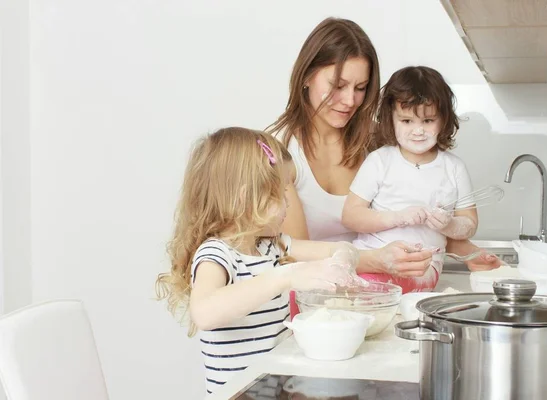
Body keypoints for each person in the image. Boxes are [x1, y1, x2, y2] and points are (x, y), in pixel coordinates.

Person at [268, 17, 501, 278]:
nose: (349, 100)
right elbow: (292, 254)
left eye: (361, 88)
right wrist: (373, 260)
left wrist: (470, 254)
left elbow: (415, 221)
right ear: (306, 76)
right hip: (311, 298)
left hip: (372, 294)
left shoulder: (377, 144)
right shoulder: (276, 154)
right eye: (338, 86)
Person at [155, 128, 368, 395]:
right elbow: (205, 313)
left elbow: (339, 248)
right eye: (281, 194)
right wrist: (284, 277)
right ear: (247, 198)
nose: (289, 205)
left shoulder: (270, 246)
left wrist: (343, 261)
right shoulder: (217, 255)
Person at [342, 66, 478, 292]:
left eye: (427, 121)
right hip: (372, 260)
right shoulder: (380, 161)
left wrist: (450, 224)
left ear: (443, 119)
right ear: (391, 119)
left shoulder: (453, 168)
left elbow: (469, 224)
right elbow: (351, 216)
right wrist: (399, 217)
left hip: (422, 269)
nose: (418, 131)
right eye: (406, 121)